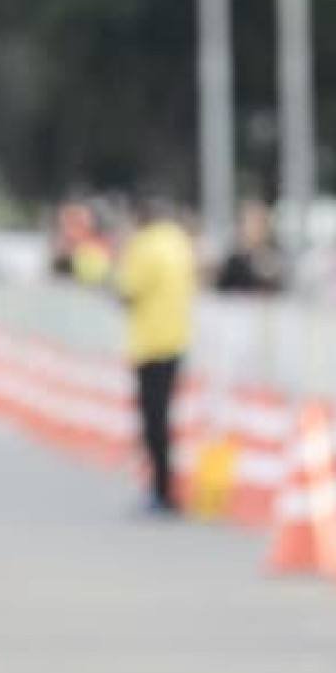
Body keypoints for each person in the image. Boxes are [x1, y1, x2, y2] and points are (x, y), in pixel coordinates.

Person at [111, 196, 196, 516]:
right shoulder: (179, 242)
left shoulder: (144, 247)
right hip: (176, 340)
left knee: (153, 423)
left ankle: (161, 491)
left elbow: (127, 291)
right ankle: (167, 487)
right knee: (166, 419)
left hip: (149, 344)